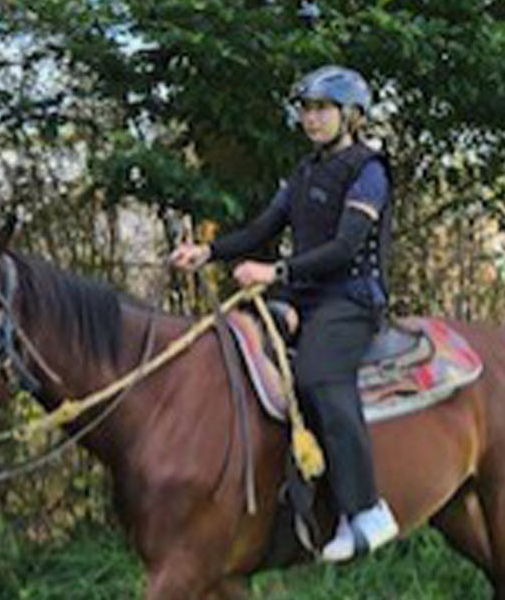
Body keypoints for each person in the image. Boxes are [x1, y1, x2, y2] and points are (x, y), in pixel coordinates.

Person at [170, 65, 396, 563]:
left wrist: (277, 273)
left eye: (322, 109)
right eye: (306, 109)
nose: (311, 119)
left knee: (317, 375)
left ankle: (365, 511)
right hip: (306, 296)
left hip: (352, 300)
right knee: (238, 351)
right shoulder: (303, 173)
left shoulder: (368, 171)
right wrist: (208, 253)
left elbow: (345, 247)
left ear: (351, 115)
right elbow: (260, 229)